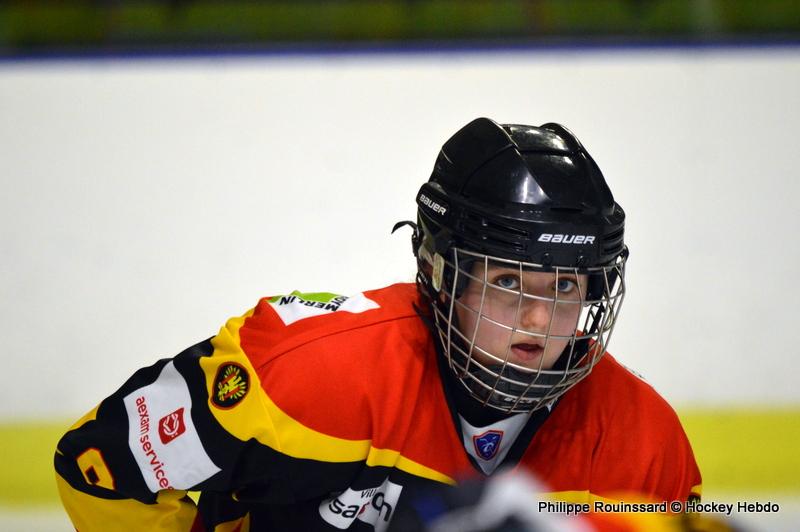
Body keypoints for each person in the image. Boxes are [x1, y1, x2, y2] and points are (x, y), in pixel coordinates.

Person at [55, 118, 702, 531]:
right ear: (442, 273)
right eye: (508, 282)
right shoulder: (302, 373)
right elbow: (98, 466)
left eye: (564, 286)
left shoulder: (642, 443)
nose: (539, 317)